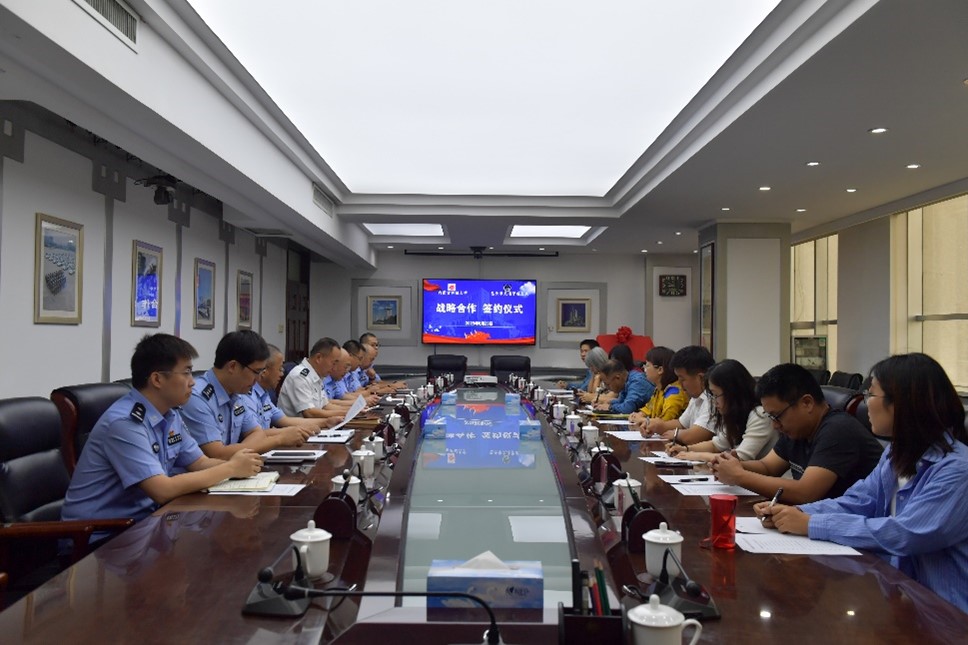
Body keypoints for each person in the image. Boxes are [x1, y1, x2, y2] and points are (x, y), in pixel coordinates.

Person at [759, 353, 968, 613]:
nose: (866, 403)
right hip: (904, 601)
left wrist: (812, 523)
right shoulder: (896, 456)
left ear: (902, 403)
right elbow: (858, 501)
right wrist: (795, 512)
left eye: (871, 394)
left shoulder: (957, 469)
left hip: (949, 615)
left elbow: (906, 534)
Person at [62, 334, 264, 523]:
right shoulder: (125, 423)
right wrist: (230, 468)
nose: (192, 382)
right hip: (100, 534)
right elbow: (162, 490)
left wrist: (246, 469)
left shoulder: (170, 415)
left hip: (147, 521)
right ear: (157, 379)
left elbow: (200, 462)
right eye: (186, 373)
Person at [713, 362, 884, 503]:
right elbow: (768, 467)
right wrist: (731, 465)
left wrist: (739, 476)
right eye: (770, 417)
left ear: (807, 403)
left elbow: (805, 493)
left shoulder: (838, 430)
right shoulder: (797, 429)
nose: (774, 425)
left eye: (776, 416)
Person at [180, 331, 314, 459]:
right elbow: (218, 454)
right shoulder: (197, 398)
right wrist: (278, 440)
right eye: (256, 372)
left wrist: (239, 452)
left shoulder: (236, 392)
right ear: (232, 366)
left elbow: (257, 432)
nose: (258, 379)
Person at [668, 359, 776, 462]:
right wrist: (686, 449)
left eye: (716, 395)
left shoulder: (760, 415)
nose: (714, 402)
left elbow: (740, 457)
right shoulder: (735, 414)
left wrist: (697, 455)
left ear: (732, 393)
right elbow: (716, 445)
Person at [242, 343, 343, 431]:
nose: (282, 374)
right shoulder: (246, 396)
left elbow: (284, 420)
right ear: (264, 371)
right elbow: (256, 434)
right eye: (280, 369)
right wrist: (289, 433)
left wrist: (326, 422)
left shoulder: (264, 395)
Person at [648, 345, 715, 444]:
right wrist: (658, 426)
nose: (679, 383)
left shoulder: (713, 399)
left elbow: (693, 437)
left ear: (701, 378)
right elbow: (681, 423)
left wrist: (676, 434)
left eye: (682, 379)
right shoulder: (696, 397)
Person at [277, 337, 347, 419]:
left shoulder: (317, 375)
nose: (334, 368)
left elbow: (325, 405)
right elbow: (309, 413)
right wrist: (344, 413)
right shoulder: (300, 377)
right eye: (333, 363)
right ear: (319, 358)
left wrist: (349, 411)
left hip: (315, 424)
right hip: (297, 426)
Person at [630, 346, 689, 433]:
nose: (644, 369)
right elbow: (648, 408)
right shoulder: (659, 389)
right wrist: (638, 415)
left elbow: (665, 421)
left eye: (647, 365)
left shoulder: (674, 392)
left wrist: (643, 420)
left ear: (660, 370)